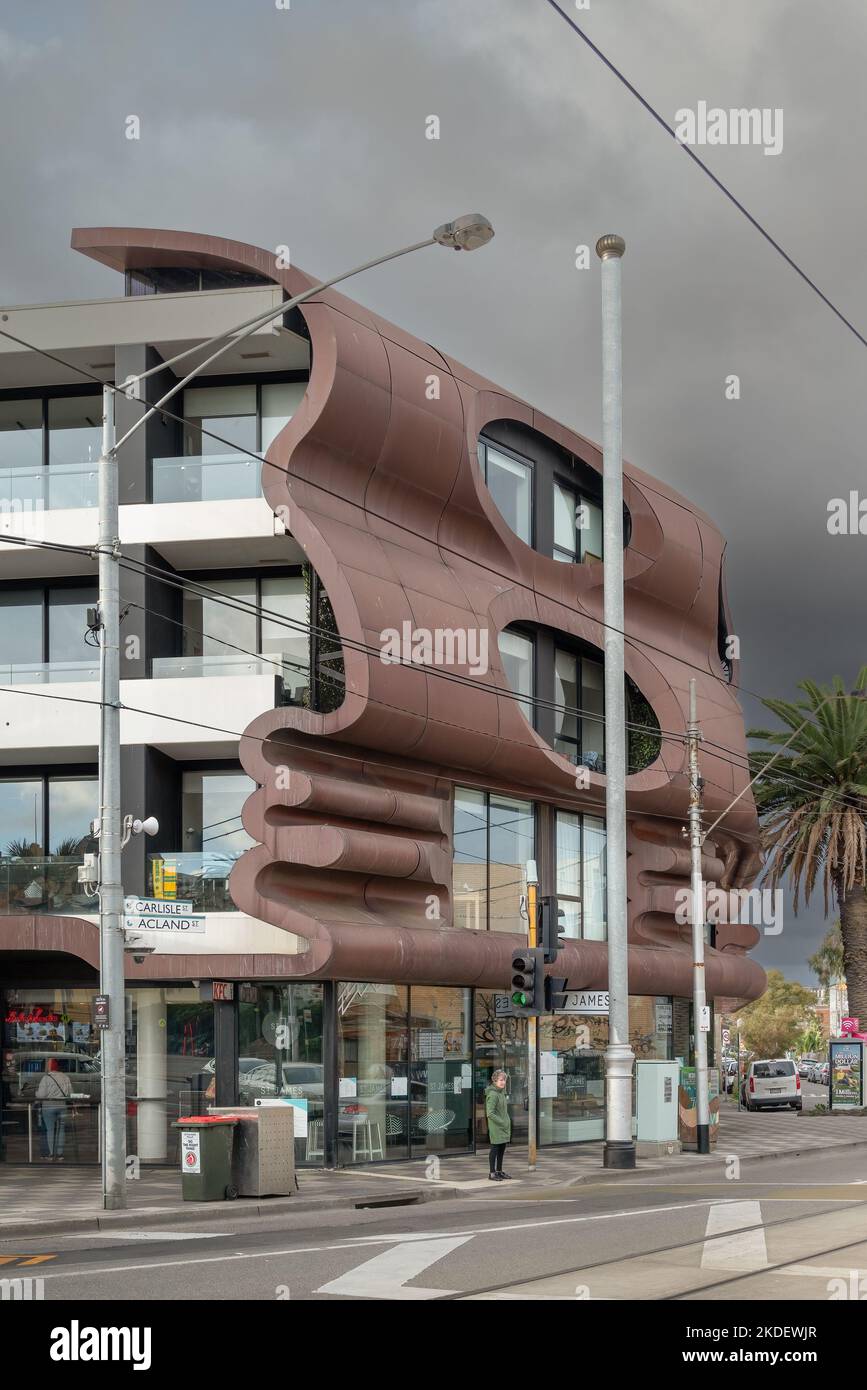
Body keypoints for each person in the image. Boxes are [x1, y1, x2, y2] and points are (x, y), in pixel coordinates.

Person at [36, 1058, 72, 1161]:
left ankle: (51, 1154)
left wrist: (36, 1093)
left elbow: (41, 1095)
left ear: (49, 1067)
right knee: (61, 1130)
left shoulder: (46, 1078)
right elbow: (70, 1093)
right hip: (62, 1106)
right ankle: (60, 1154)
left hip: (48, 1106)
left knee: (50, 1130)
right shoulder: (65, 1077)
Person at [484, 1069, 512, 1181]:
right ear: (495, 1080)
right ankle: (492, 1173)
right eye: (500, 1080)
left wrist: (506, 1121)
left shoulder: (501, 1093)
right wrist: (502, 1122)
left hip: (504, 1126)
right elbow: (490, 1113)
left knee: (502, 1149)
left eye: (504, 1080)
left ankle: (499, 1171)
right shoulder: (493, 1094)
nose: (503, 1082)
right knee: (495, 1149)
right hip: (497, 1126)